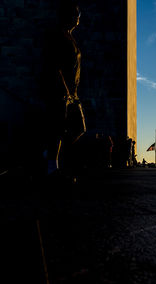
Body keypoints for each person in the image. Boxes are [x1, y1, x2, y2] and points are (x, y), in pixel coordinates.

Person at [42, 0, 85, 176]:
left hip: (72, 93)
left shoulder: (69, 36)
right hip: (62, 92)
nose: (78, 18)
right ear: (67, 16)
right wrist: (64, 91)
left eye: (79, 14)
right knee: (59, 128)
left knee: (78, 128)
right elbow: (54, 65)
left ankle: (48, 154)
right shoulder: (59, 36)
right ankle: (52, 164)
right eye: (76, 14)